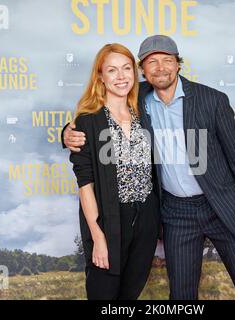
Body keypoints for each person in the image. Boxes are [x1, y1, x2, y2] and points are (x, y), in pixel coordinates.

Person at [63, 35, 235, 300]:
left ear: (178, 64)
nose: (160, 68)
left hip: (221, 205)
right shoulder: (137, 99)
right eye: (152, 62)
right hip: (176, 213)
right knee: (182, 295)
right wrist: (68, 133)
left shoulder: (212, 100)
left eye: (167, 60)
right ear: (143, 70)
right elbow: (98, 119)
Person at [70, 43, 160, 300]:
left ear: (135, 72)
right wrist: (98, 237)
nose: (121, 77)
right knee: (104, 294)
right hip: (109, 220)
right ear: (100, 76)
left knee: (129, 296)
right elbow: (85, 185)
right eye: (112, 70)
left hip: (146, 219)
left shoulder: (144, 112)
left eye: (126, 68)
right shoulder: (89, 120)